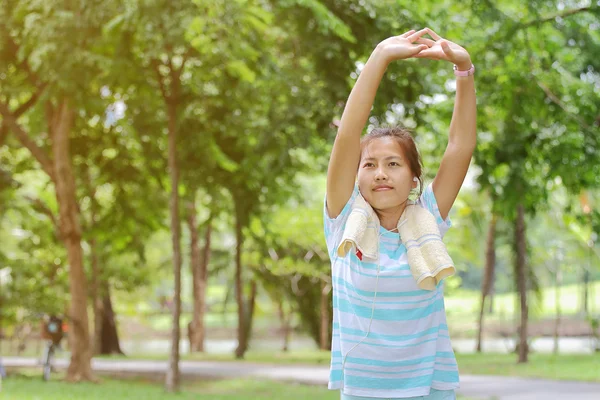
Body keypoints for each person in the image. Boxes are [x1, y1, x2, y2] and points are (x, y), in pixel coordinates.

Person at [324, 28, 476, 400]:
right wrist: (379, 57)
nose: (379, 173)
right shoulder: (344, 222)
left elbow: (460, 147)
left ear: (413, 179)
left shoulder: (428, 218)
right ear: (356, 175)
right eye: (369, 164)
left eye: (393, 164)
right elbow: (348, 136)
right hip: (363, 393)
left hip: (430, 391)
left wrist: (464, 71)